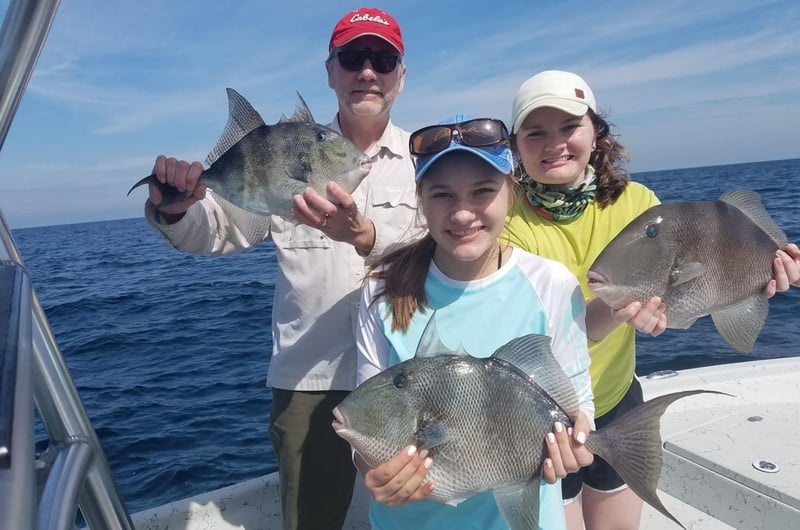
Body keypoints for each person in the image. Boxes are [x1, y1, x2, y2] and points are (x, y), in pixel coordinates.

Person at [142, 7, 422, 530]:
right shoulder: (295, 149)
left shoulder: (425, 160)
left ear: (400, 76)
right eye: (353, 57)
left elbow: (445, 257)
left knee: (426, 514)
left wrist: (366, 236)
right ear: (331, 72)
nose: (367, 70)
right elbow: (222, 226)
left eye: (382, 59)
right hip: (309, 380)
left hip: (406, 375)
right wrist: (174, 208)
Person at [503, 69, 800, 530]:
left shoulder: (640, 202)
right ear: (516, 145)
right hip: (540, 414)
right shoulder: (506, 218)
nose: (553, 143)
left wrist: (759, 278)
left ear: (595, 133)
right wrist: (621, 311)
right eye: (535, 132)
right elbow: (542, 335)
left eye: (569, 127)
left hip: (619, 400)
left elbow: (691, 283)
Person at [354, 115, 595, 529]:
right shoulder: (382, 288)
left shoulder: (551, 284)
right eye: (442, 195)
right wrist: (372, 472)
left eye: (482, 191)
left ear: (511, 194)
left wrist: (579, 443)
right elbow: (366, 417)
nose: (462, 214)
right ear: (421, 200)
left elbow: (579, 406)